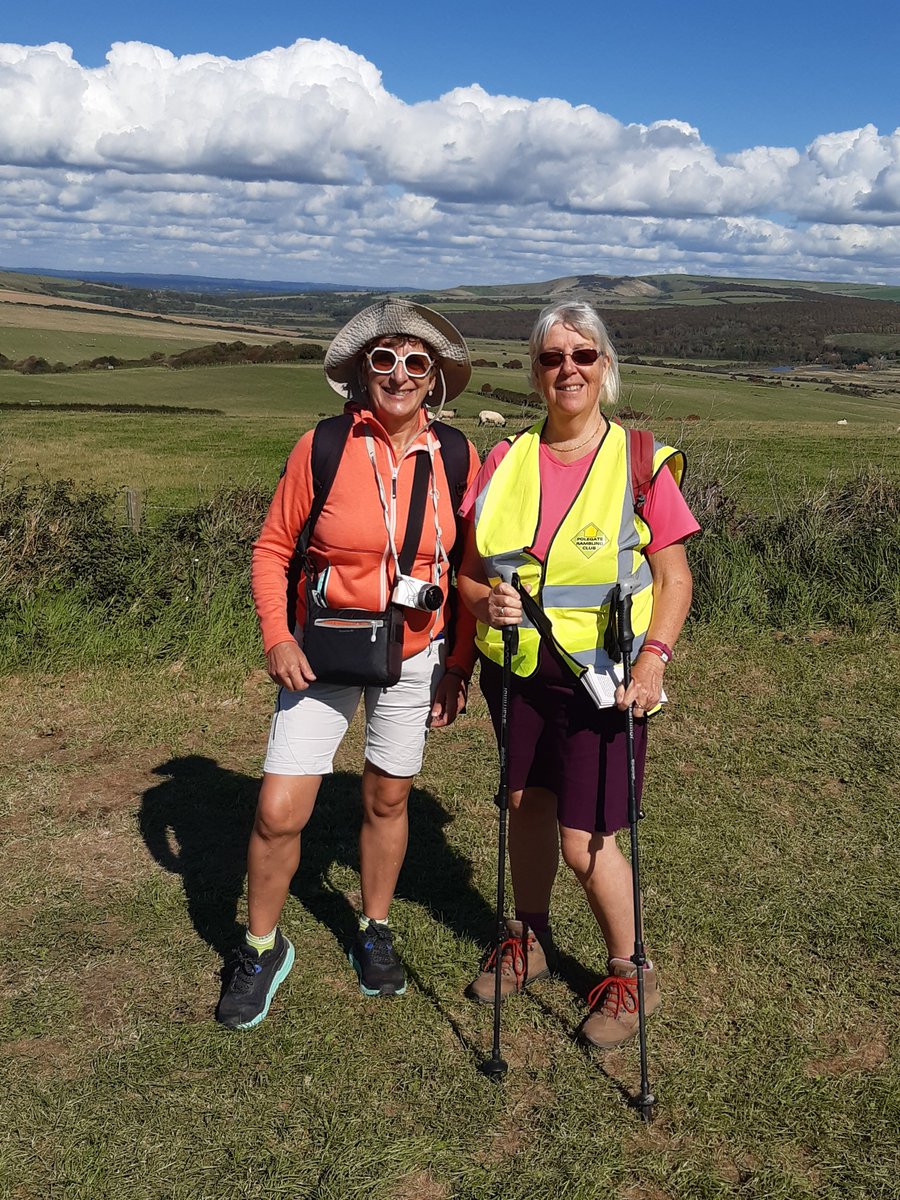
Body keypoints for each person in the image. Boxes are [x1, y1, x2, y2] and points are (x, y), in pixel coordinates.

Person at [216, 299, 479, 1029]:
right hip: (321, 651)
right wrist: (277, 636)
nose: (399, 374)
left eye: (416, 361)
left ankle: (374, 929)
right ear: (364, 371)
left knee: (387, 800)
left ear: (435, 381)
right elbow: (272, 548)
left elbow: (468, 566)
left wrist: (459, 664)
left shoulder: (458, 456)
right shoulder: (323, 446)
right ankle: (261, 946)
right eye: (384, 359)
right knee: (277, 809)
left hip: (416, 651)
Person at [457, 301, 698, 1048]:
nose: (569, 369)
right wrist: (482, 604)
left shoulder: (638, 460)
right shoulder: (505, 461)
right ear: (535, 371)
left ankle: (630, 974)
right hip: (520, 673)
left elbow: (676, 579)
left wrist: (654, 662)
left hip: (608, 681)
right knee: (525, 804)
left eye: (583, 356)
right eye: (553, 357)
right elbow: (468, 575)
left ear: (605, 368)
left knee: (584, 839)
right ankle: (526, 940)